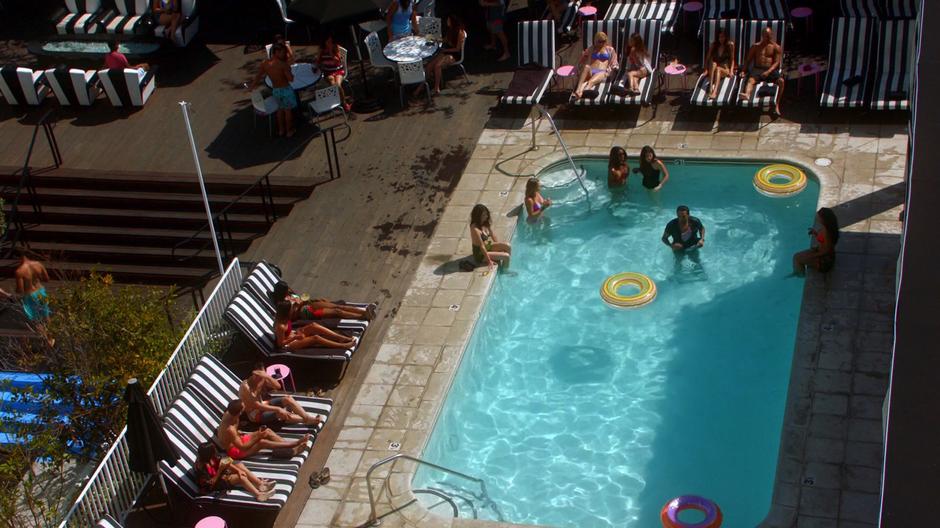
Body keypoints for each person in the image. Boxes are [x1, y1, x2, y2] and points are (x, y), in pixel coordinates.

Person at [216, 400, 310, 460]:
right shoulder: (230, 429)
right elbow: (242, 447)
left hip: (239, 439)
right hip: (235, 451)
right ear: (239, 412)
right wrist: (258, 436)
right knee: (262, 442)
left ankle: (290, 449)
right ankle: (293, 445)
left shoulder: (230, 413)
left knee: (267, 431)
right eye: (243, 408)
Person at [239, 363, 323, 427]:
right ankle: (307, 420)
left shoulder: (262, 378)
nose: (262, 378)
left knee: (288, 398)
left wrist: (267, 377)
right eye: (260, 376)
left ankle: (307, 418)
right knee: (280, 413)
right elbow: (257, 406)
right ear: (254, 375)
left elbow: (277, 386)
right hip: (255, 414)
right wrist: (278, 409)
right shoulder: (246, 388)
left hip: (263, 403)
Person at [195, 441, 275, 501]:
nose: (216, 451)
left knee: (239, 465)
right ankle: (258, 495)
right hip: (215, 485)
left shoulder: (213, 457)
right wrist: (220, 470)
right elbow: (210, 484)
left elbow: (226, 462)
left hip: (221, 474)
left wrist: (238, 470)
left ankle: (260, 484)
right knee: (240, 478)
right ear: (209, 453)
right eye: (213, 450)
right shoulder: (201, 467)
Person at [250, 43, 295, 138]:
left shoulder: (265, 64)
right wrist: (289, 70)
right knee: (287, 111)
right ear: (276, 52)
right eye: (283, 52)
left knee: (280, 109)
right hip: (286, 89)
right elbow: (290, 79)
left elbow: (258, 76)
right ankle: (289, 131)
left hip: (276, 90)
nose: (284, 54)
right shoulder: (283, 65)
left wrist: (252, 86)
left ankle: (281, 130)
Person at [271, 280, 375, 321]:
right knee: (337, 311)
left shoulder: (290, 295)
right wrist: (298, 305)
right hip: (306, 312)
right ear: (283, 292)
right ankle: (363, 317)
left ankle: (365, 311)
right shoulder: (282, 304)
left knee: (338, 306)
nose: (289, 289)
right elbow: (290, 317)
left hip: (309, 305)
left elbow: (303, 298)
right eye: (287, 289)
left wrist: (303, 299)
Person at [274, 301, 358, 350]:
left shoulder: (287, 318)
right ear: (286, 312)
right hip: (289, 345)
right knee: (316, 338)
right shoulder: (280, 326)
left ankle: (341, 338)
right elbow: (280, 344)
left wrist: (298, 332)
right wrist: (295, 337)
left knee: (314, 325)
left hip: (294, 335)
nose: (293, 310)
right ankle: (342, 346)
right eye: (291, 309)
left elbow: (289, 332)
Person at [739, 26, 784, 116]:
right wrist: (743, 71)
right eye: (766, 36)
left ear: (772, 35)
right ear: (762, 35)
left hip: (770, 69)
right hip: (757, 69)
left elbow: (776, 62)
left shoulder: (776, 47)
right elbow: (748, 60)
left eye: (769, 36)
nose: (768, 38)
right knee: (750, 80)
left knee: (781, 81)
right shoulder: (756, 46)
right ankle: (747, 94)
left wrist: (768, 72)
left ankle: (777, 104)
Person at [423, 14, 466, 94]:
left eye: (448, 20)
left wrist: (445, 50)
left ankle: (436, 88)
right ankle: (421, 86)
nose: (447, 22)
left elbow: (457, 49)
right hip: (446, 52)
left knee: (437, 66)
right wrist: (434, 40)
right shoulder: (450, 30)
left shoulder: (460, 33)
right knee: (429, 65)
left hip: (454, 55)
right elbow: (444, 40)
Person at [572, 32, 618, 100]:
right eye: (599, 41)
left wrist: (612, 70)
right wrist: (583, 58)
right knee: (586, 66)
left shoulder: (610, 49)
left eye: (604, 41)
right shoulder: (591, 49)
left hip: (602, 72)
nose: (602, 43)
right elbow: (582, 61)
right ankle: (578, 90)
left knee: (590, 82)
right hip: (591, 70)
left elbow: (614, 62)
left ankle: (582, 92)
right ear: (595, 40)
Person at [793, 207, 839, 275]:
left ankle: (801, 275)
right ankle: (798, 272)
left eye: (819, 216)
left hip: (825, 261)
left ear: (824, 219)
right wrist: (815, 233)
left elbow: (826, 250)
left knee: (797, 259)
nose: (817, 217)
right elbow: (822, 240)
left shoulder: (827, 233)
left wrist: (813, 255)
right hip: (820, 251)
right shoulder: (825, 227)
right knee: (796, 257)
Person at [470, 204, 511, 269]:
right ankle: (505, 272)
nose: (486, 216)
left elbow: (492, 234)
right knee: (506, 256)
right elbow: (481, 246)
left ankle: (506, 266)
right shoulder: (475, 229)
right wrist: (489, 261)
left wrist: (498, 246)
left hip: (487, 246)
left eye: (486, 214)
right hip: (480, 253)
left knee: (507, 246)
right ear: (478, 216)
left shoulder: (484, 222)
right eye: (483, 215)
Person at [318, 35, 350, 111]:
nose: (330, 43)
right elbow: (318, 61)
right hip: (328, 72)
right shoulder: (321, 50)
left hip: (337, 70)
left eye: (331, 41)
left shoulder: (335, 47)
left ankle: (344, 103)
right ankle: (337, 101)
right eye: (328, 42)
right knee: (333, 84)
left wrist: (331, 52)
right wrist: (316, 67)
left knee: (338, 85)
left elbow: (338, 61)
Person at [15, 255, 50, 322]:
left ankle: (41, 332)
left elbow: (20, 290)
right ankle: (51, 332)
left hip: (31, 295)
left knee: (36, 320)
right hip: (41, 291)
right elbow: (47, 279)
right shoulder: (38, 264)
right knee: (46, 317)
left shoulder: (19, 271)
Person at [705, 27, 735, 100]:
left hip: (724, 69)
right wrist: (706, 69)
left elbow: (732, 59)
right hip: (713, 69)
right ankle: (710, 88)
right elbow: (707, 58)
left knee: (718, 68)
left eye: (723, 37)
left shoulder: (730, 45)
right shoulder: (714, 45)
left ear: (726, 37)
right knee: (714, 63)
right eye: (719, 37)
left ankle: (714, 92)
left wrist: (731, 71)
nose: (721, 39)